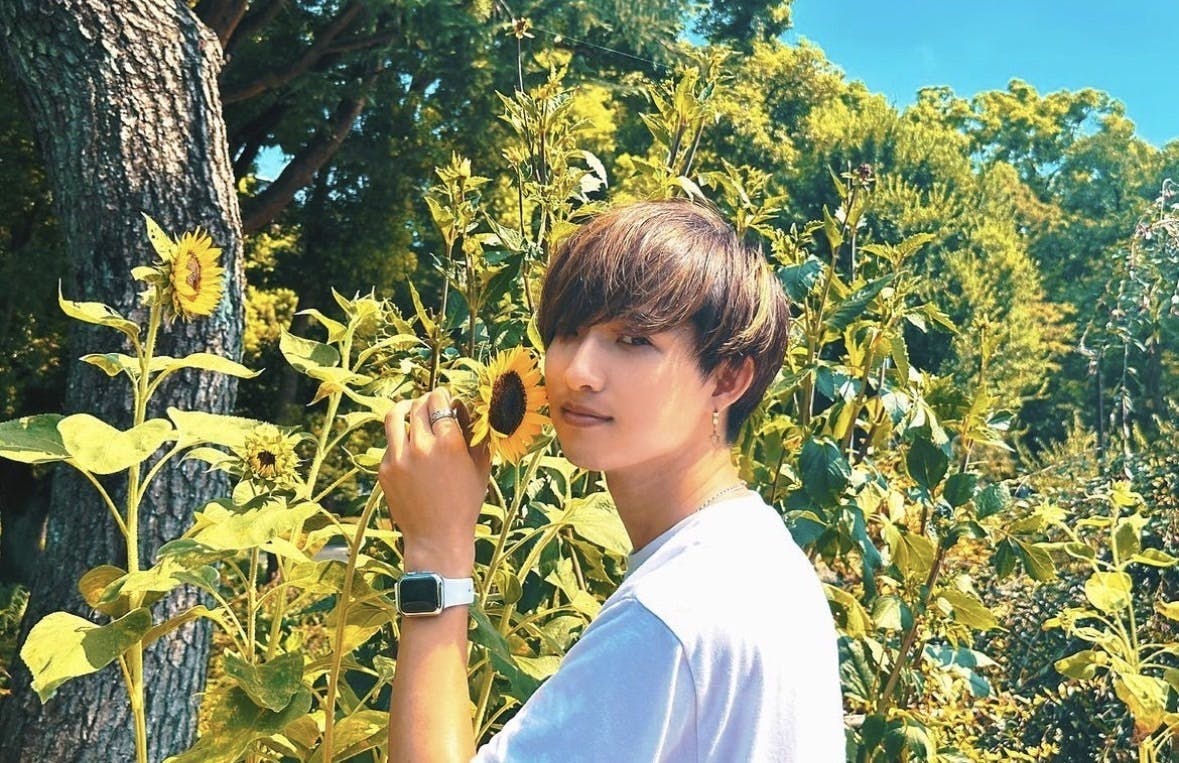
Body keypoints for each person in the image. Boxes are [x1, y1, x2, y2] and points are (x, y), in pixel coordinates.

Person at [380, 199, 845, 762]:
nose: (577, 371)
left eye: (633, 340)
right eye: (569, 331)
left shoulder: (673, 612)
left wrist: (436, 551)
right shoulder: (757, 559)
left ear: (726, 380)